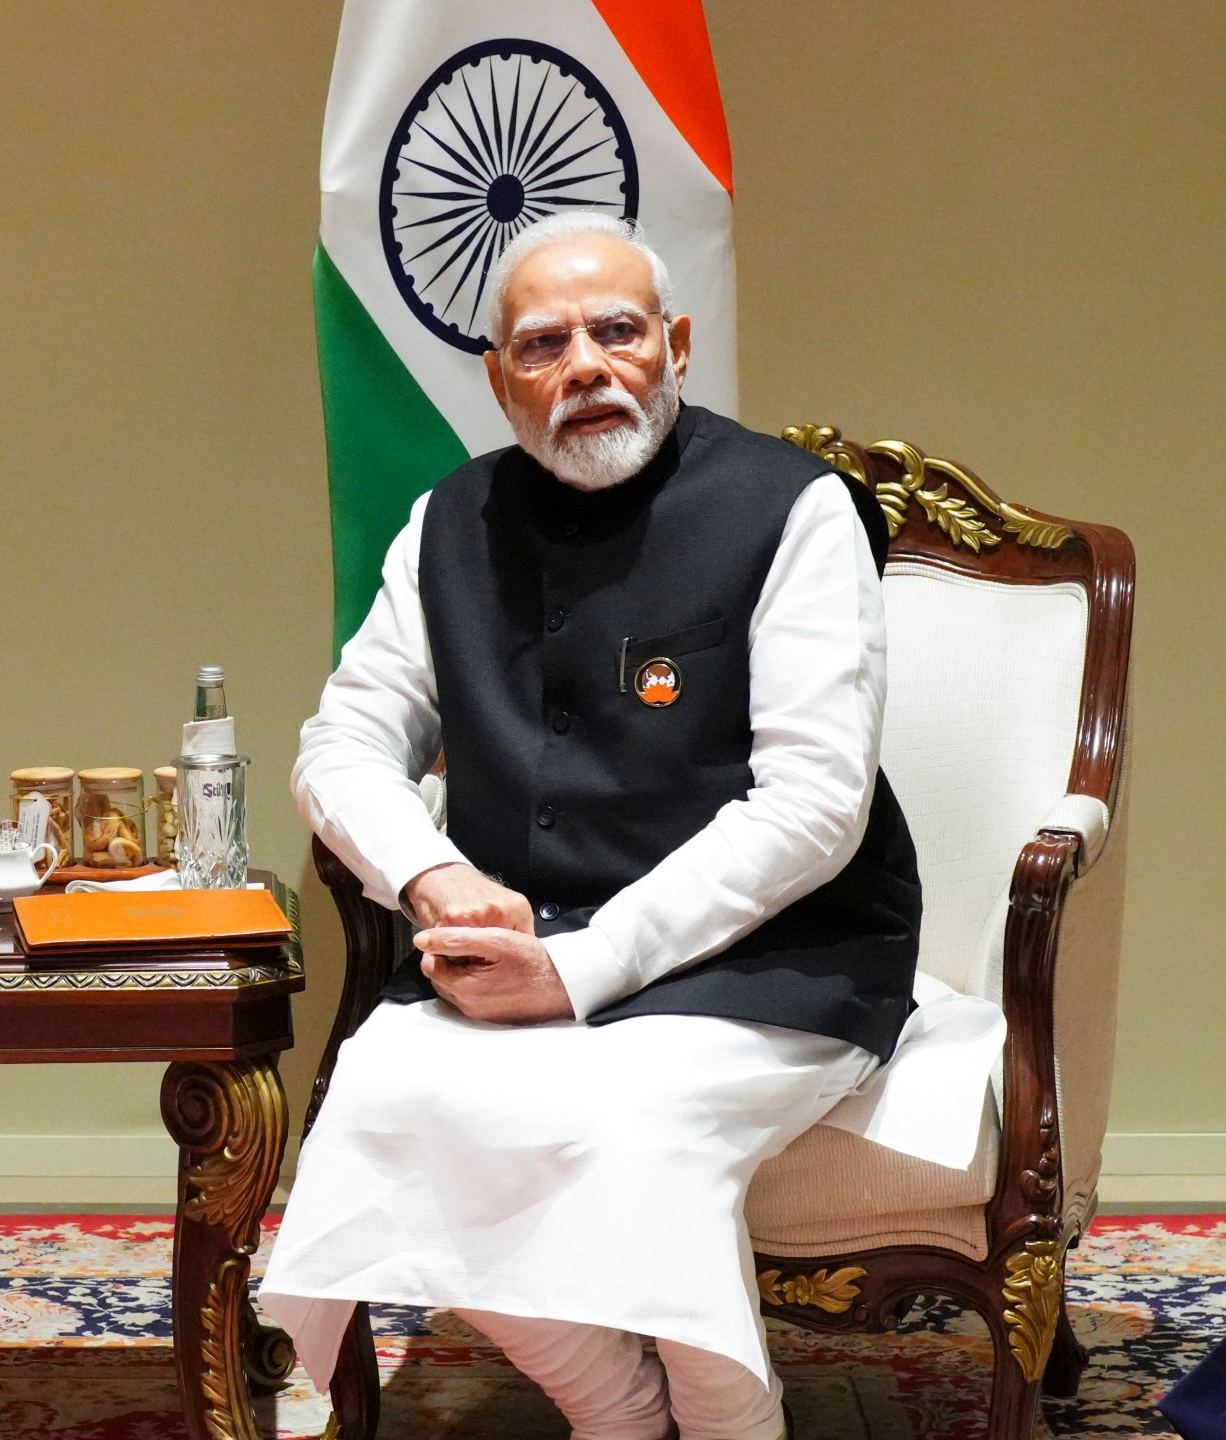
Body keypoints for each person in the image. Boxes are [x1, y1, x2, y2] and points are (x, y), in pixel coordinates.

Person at [261, 212, 995, 1439]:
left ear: (678, 345)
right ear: (500, 378)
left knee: (632, 1126)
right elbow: (339, 746)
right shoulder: (448, 523)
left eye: (618, 331)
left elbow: (815, 805)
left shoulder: (792, 510)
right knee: (383, 1094)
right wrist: (433, 879)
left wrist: (584, 969)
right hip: (518, 949)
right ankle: (612, 1406)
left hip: (777, 960)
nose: (586, 366)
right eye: (543, 344)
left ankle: (726, 1419)